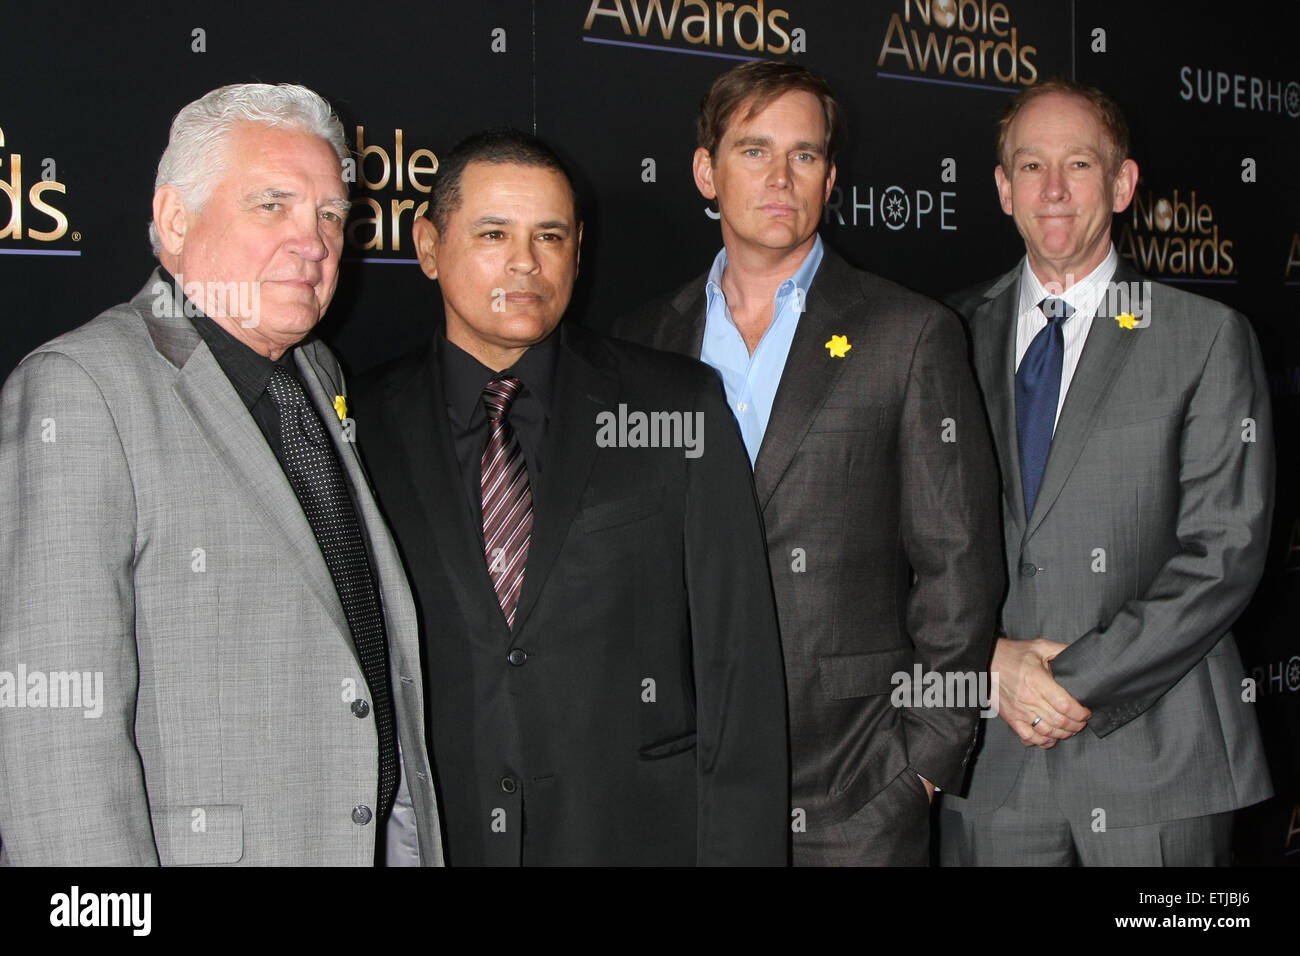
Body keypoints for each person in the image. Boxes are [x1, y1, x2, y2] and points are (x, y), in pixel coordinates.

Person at [0, 83, 443, 866]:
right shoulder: (84, 385)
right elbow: (53, 743)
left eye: (331, 215)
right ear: (175, 220)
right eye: (273, 205)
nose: (314, 242)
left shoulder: (314, 368)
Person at [353, 128, 790, 866]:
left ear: (578, 252)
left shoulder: (675, 404)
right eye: (493, 233)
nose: (526, 262)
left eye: (549, 236)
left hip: (636, 838)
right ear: (428, 246)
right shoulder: (359, 425)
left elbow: (738, 668)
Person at [614, 61, 1002, 865]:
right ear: (705, 171)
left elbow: (958, 565)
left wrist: (924, 764)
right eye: (754, 150)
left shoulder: (909, 334)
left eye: (806, 154)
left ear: (830, 177)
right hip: (684, 783)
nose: (781, 177)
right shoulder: (643, 338)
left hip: (858, 789)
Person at [939, 80, 1274, 865]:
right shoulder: (941, 336)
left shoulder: (1205, 338)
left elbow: (1223, 554)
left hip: (1159, 765)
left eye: (1079, 164)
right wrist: (990, 663)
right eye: (1030, 166)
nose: (1053, 189)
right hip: (991, 766)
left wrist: (1068, 681)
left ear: (1122, 184)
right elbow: (906, 542)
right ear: (1001, 187)